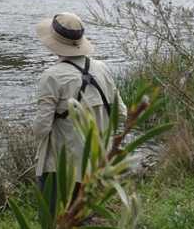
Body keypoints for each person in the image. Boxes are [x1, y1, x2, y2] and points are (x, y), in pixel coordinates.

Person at [32, 12, 127, 200]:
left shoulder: (52, 76)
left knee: (55, 220)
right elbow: (122, 113)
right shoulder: (102, 68)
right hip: (98, 164)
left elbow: (41, 129)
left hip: (61, 168)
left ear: (53, 42)